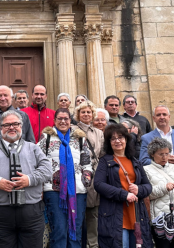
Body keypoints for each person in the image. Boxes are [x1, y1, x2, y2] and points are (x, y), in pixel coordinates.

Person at [0, 110, 52, 248]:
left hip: (31, 212)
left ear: (21, 127)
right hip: (0, 213)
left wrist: (29, 180)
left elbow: (47, 169)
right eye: (7, 125)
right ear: (1, 129)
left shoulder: (33, 148)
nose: (11, 127)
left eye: (15, 124)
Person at [39, 109, 94, 248]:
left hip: (77, 191)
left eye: (66, 119)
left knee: (75, 229)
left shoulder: (80, 139)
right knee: (59, 229)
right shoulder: (46, 139)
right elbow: (38, 162)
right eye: (60, 118)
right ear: (54, 120)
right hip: (53, 190)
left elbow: (87, 162)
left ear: (70, 121)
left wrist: (85, 179)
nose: (63, 121)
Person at [94, 124, 153, 248]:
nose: (117, 141)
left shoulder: (135, 161)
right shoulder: (105, 161)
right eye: (113, 138)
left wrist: (139, 189)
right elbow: (99, 184)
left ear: (126, 139)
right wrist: (124, 194)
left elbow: (148, 186)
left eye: (120, 137)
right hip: (115, 215)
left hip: (136, 214)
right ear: (109, 142)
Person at [71, 100, 104, 248]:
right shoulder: (72, 129)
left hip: (94, 175)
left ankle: (93, 244)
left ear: (93, 115)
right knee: (77, 213)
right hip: (77, 174)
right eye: (83, 112)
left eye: (88, 112)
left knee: (93, 213)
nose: (86, 114)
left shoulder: (98, 132)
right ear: (78, 114)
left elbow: (102, 154)